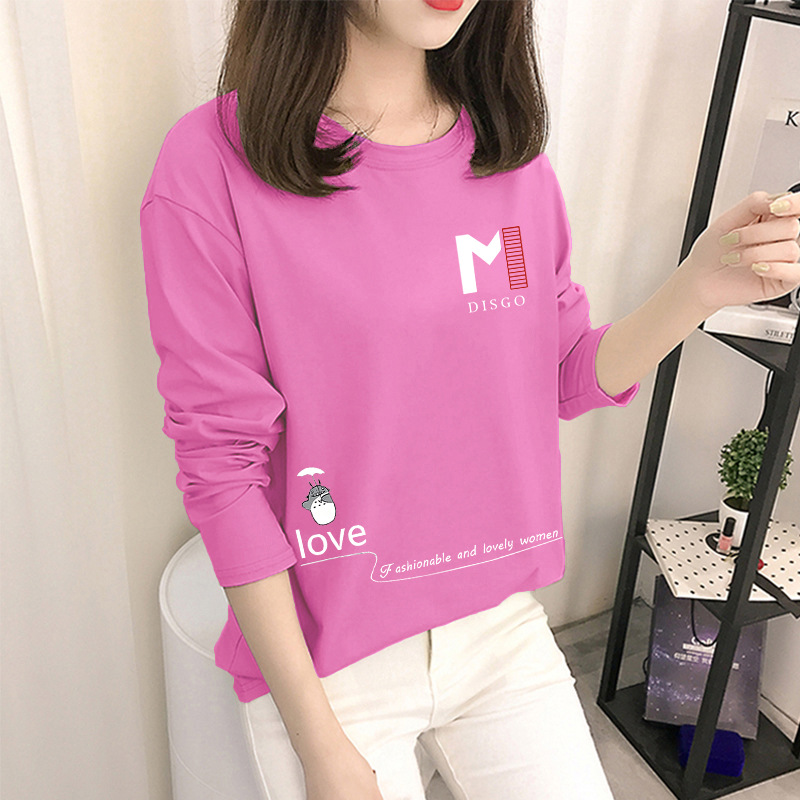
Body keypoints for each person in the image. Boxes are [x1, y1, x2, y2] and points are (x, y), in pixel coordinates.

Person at [139, 1, 800, 799]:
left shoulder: (508, 159)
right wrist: (320, 744)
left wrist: (698, 287)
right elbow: (222, 466)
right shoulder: (211, 162)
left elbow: (560, 371)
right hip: (328, 662)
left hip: (498, 630)